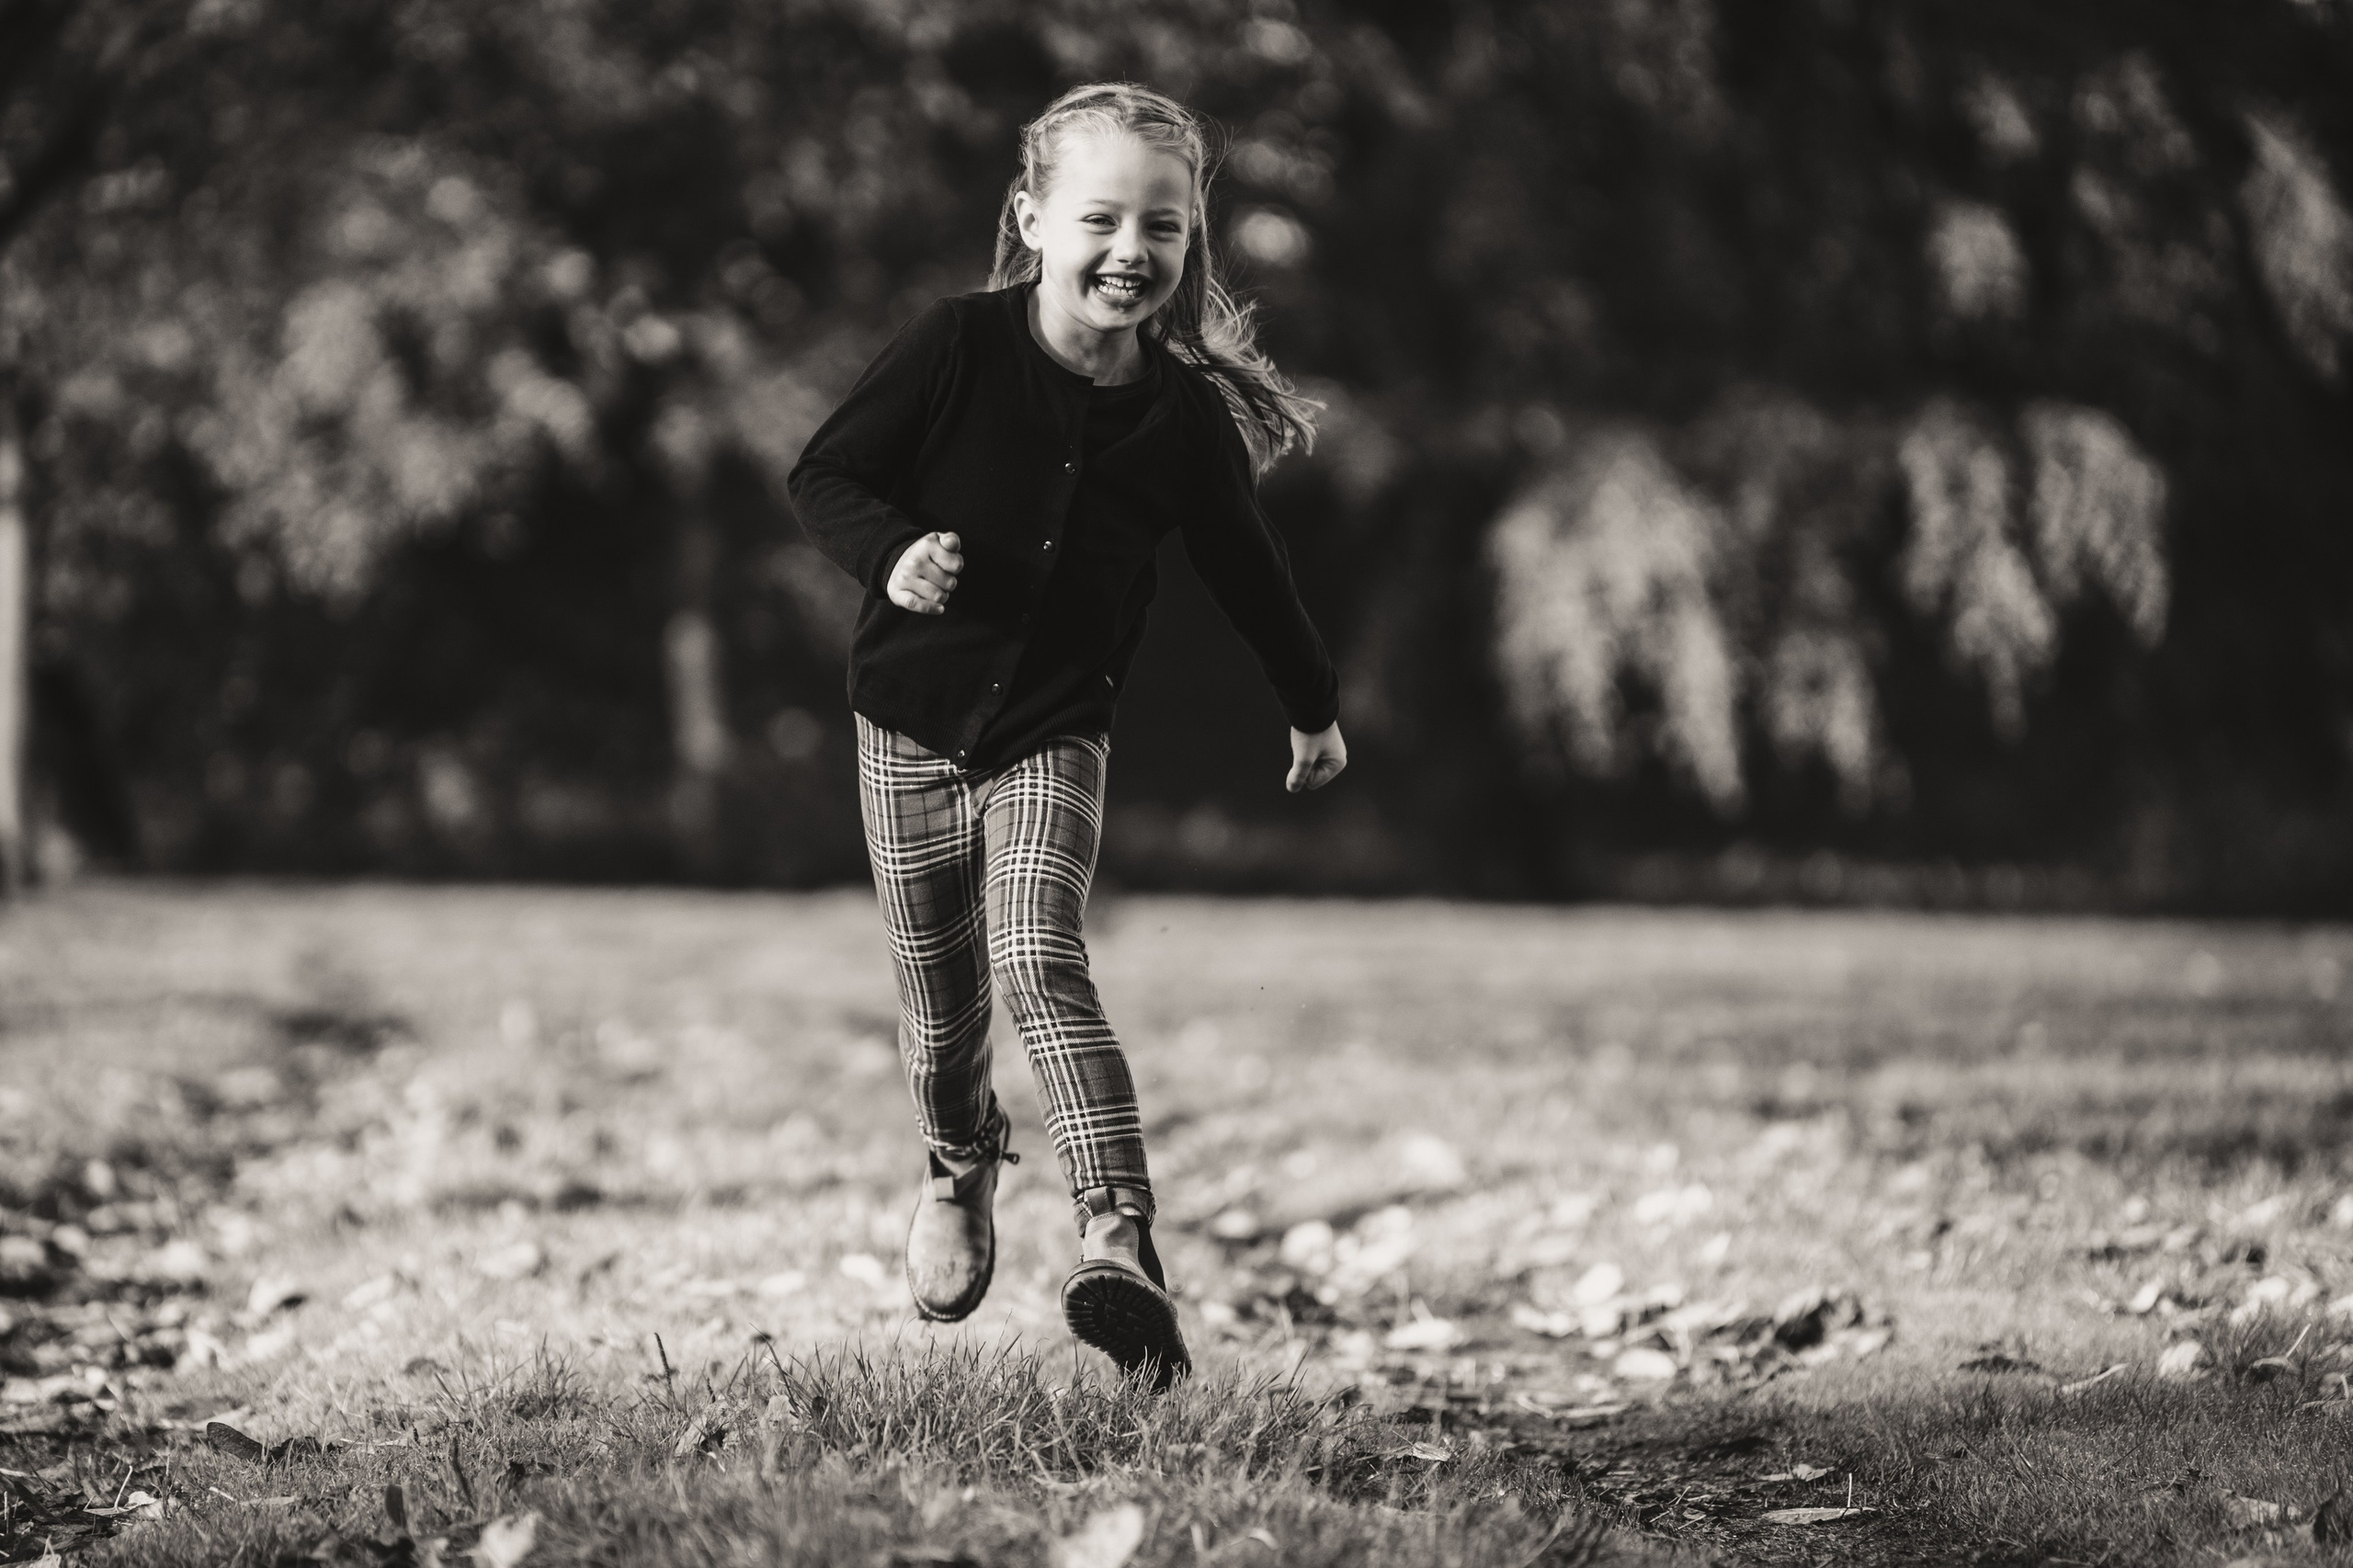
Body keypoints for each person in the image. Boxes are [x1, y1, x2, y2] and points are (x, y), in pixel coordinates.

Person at [787, 81, 1347, 1390]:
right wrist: (892, 558)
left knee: (1040, 952)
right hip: (909, 724)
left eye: (1162, 226)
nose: (1130, 251)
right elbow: (824, 475)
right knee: (941, 1017)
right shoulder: (954, 349)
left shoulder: (1179, 416)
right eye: (1100, 218)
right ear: (1034, 218)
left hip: (1054, 729)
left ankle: (1118, 1240)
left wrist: (1311, 703)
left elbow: (1249, 569)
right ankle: (958, 1166)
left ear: (1188, 240)